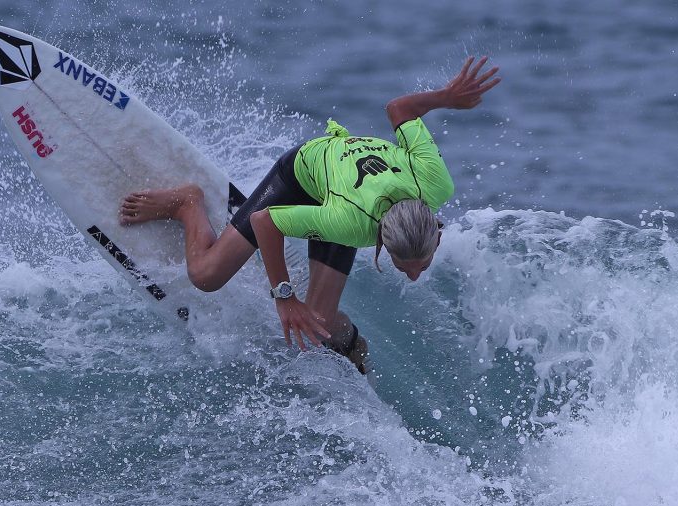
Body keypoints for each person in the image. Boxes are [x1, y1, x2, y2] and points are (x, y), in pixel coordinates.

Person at [119, 56, 500, 373]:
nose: (416, 275)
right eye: (405, 266)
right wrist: (284, 296)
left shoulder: (435, 184)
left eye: (421, 262)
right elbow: (265, 222)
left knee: (317, 329)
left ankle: (351, 344)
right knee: (206, 276)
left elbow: (399, 110)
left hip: (347, 188)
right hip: (304, 172)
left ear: (435, 230)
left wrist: (448, 98)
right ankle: (187, 203)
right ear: (381, 238)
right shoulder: (349, 222)